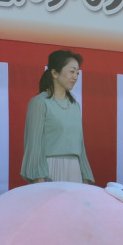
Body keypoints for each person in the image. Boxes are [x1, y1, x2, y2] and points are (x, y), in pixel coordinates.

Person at [20, 50, 93, 184]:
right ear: (54, 73)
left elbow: (80, 146)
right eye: (72, 71)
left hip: (75, 171)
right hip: (49, 170)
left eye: (77, 73)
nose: (75, 77)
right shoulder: (39, 103)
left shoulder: (75, 106)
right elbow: (33, 145)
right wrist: (38, 178)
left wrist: (85, 177)